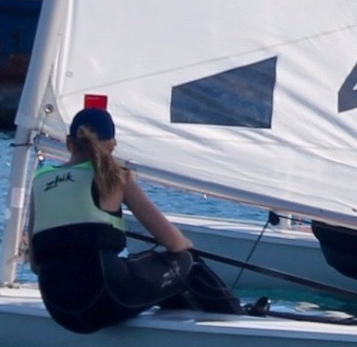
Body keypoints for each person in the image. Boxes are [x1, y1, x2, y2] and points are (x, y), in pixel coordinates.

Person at [27, 105, 256, 333]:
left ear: (69, 144)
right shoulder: (117, 177)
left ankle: (185, 322)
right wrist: (186, 245)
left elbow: (36, 265)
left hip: (60, 309)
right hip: (105, 298)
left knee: (137, 268)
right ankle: (239, 325)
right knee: (188, 262)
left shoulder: (41, 180)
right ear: (112, 145)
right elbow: (174, 243)